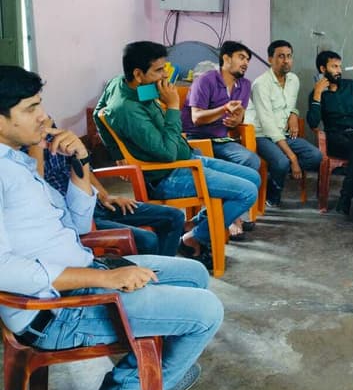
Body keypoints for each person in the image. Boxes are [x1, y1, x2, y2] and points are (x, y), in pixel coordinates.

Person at [0, 65, 224, 390]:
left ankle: (154, 365)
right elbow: (3, 269)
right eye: (30, 108)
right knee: (207, 312)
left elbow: (77, 227)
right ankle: (123, 389)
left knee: (195, 274)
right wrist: (106, 278)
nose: (43, 116)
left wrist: (80, 165)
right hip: (56, 312)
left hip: (82, 277)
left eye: (40, 104)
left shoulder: (18, 162)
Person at [94, 41, 261, 264]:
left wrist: (117, 153)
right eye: (159, 70)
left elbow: (97, 113)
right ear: (138, 74)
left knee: (253, 177)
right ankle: (194, 238)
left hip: (188, 157)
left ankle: (195, 224)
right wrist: (173, 106)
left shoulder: (124, 84)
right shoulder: (128, 110)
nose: (166, 75)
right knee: (247, 192)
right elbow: (167, 154)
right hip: (168, 174)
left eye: (165, 68)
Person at [25, 120, 185, 256]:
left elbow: (83, 168)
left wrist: (104, 195)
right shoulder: (17, 151)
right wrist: (37, 142)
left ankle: (164, 273)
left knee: (174, 216)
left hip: (96, 202)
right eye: (32, 108)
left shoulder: (49, 128)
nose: (41, 115)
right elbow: (36, 185)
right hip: (74, 217)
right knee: (148, 240)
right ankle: (152, 277)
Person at [181, 40, 260, 240]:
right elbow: (196, 118)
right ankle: (232, 219)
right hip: (197, 138)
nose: (246, 63)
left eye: (247, 59)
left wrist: (236, 120)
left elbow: (239, 116)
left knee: (251, 160)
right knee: (220, 167)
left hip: (221, 139)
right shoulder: (205, 81)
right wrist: (223, 109)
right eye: (241, 57)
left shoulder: (244, 85)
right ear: (226, 58)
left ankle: (214, 218)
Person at [307, 50, 353, 229]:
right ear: (323, 69)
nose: (339, 70)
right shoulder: (317, 94)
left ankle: (349, 197)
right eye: (334, 66)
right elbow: (313, 123)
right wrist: (317, 94)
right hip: (337, 140)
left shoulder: (351, 86)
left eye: (340, 66)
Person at [252, 39, 323, 208]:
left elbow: (290, 105)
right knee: (282, 162)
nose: (286, 60)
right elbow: (268, 124)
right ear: (270, 59)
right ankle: (273, 194)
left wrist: (294, 113)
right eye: (281, 56)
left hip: (285, 134)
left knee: (315, 156)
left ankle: (275, 176)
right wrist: (292, 158)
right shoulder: (261, 84)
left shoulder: (294, 80)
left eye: (289, 56)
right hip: (263, 136)